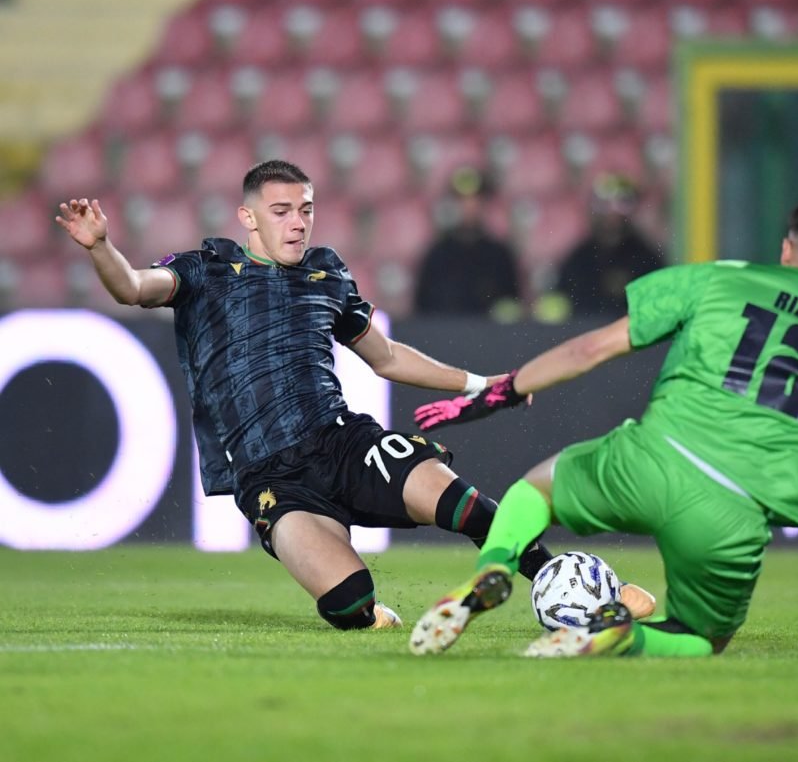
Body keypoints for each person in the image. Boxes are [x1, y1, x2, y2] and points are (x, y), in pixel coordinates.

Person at [52, 159, 580, 633]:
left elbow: (387, 356)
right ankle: (369, 611)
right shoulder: (205, 270)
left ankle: (564, 586)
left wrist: (479, 384)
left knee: (465, 506)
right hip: (270, 477)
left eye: (305, 210)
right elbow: (133, 288)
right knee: (350, 607)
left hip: (342, 442)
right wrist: (100, 247)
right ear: (248, 217)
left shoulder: (325, 274)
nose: (298, 222)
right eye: (281, 211)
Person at [408, 194, 798, 658]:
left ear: (785, 250)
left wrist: (504, 391)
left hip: (654, 458)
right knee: (702, 637)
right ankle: (622, 639)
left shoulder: (719, 279)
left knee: (535, 492)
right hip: (734, 512)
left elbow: (593, 347)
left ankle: (491, 570)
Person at [414, 166, 521, 318]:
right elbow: (422, 312)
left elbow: (514, 307)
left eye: (475, 200)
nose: (469, 207)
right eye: (462, 200)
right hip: (445, 337)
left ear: (484, 204)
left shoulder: (500, 256)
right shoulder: (436, 256)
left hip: (490, 339)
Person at [554, 172, 661, 318]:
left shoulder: (648, 259)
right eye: (604, 203)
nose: (613, 212)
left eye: (623, 202)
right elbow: (559, 307)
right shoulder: (577, 259)